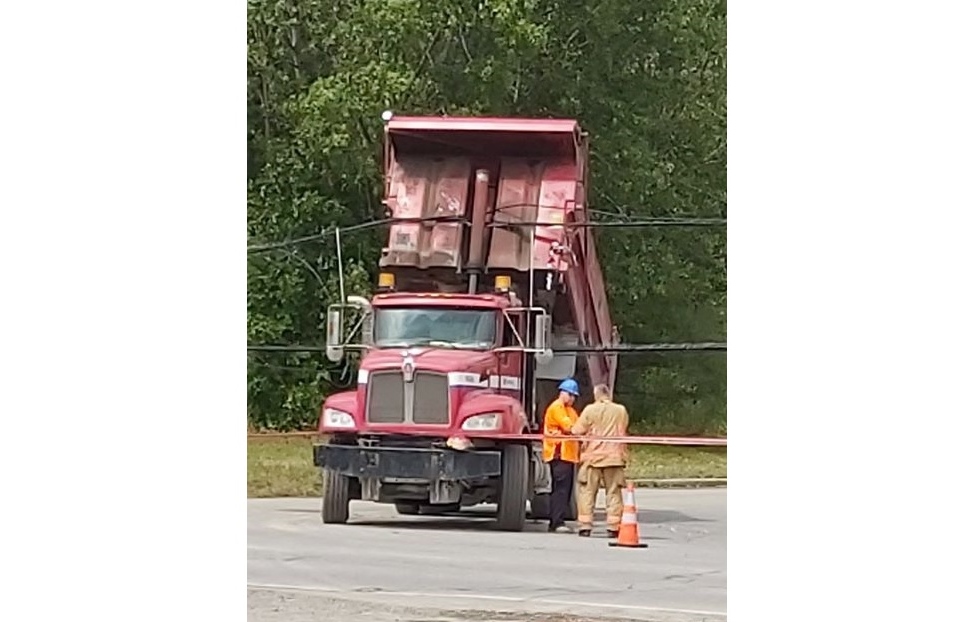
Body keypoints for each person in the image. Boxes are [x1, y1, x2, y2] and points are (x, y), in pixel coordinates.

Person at [570, 383, 629, 538]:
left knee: (587, 492)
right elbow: (623, 427)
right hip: (614, 457)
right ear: (608, 394)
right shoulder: (620, 410)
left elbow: (577, 430)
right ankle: (613, 527)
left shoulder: (590, 410)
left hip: (593, 458)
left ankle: (585, 526)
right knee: (613, 493)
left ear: (596, 395)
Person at [542, 378, 581, 533]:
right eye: (570, 395)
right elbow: (570, 427)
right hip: (559, 455)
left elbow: (578, 426)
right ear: (563, 393)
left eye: (574, 396)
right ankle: (556, 522)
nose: (572, 398)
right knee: (560, 490)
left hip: (568, 456)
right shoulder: (557, 408)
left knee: (566, 489)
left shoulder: (570, 410)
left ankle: (559, 520)